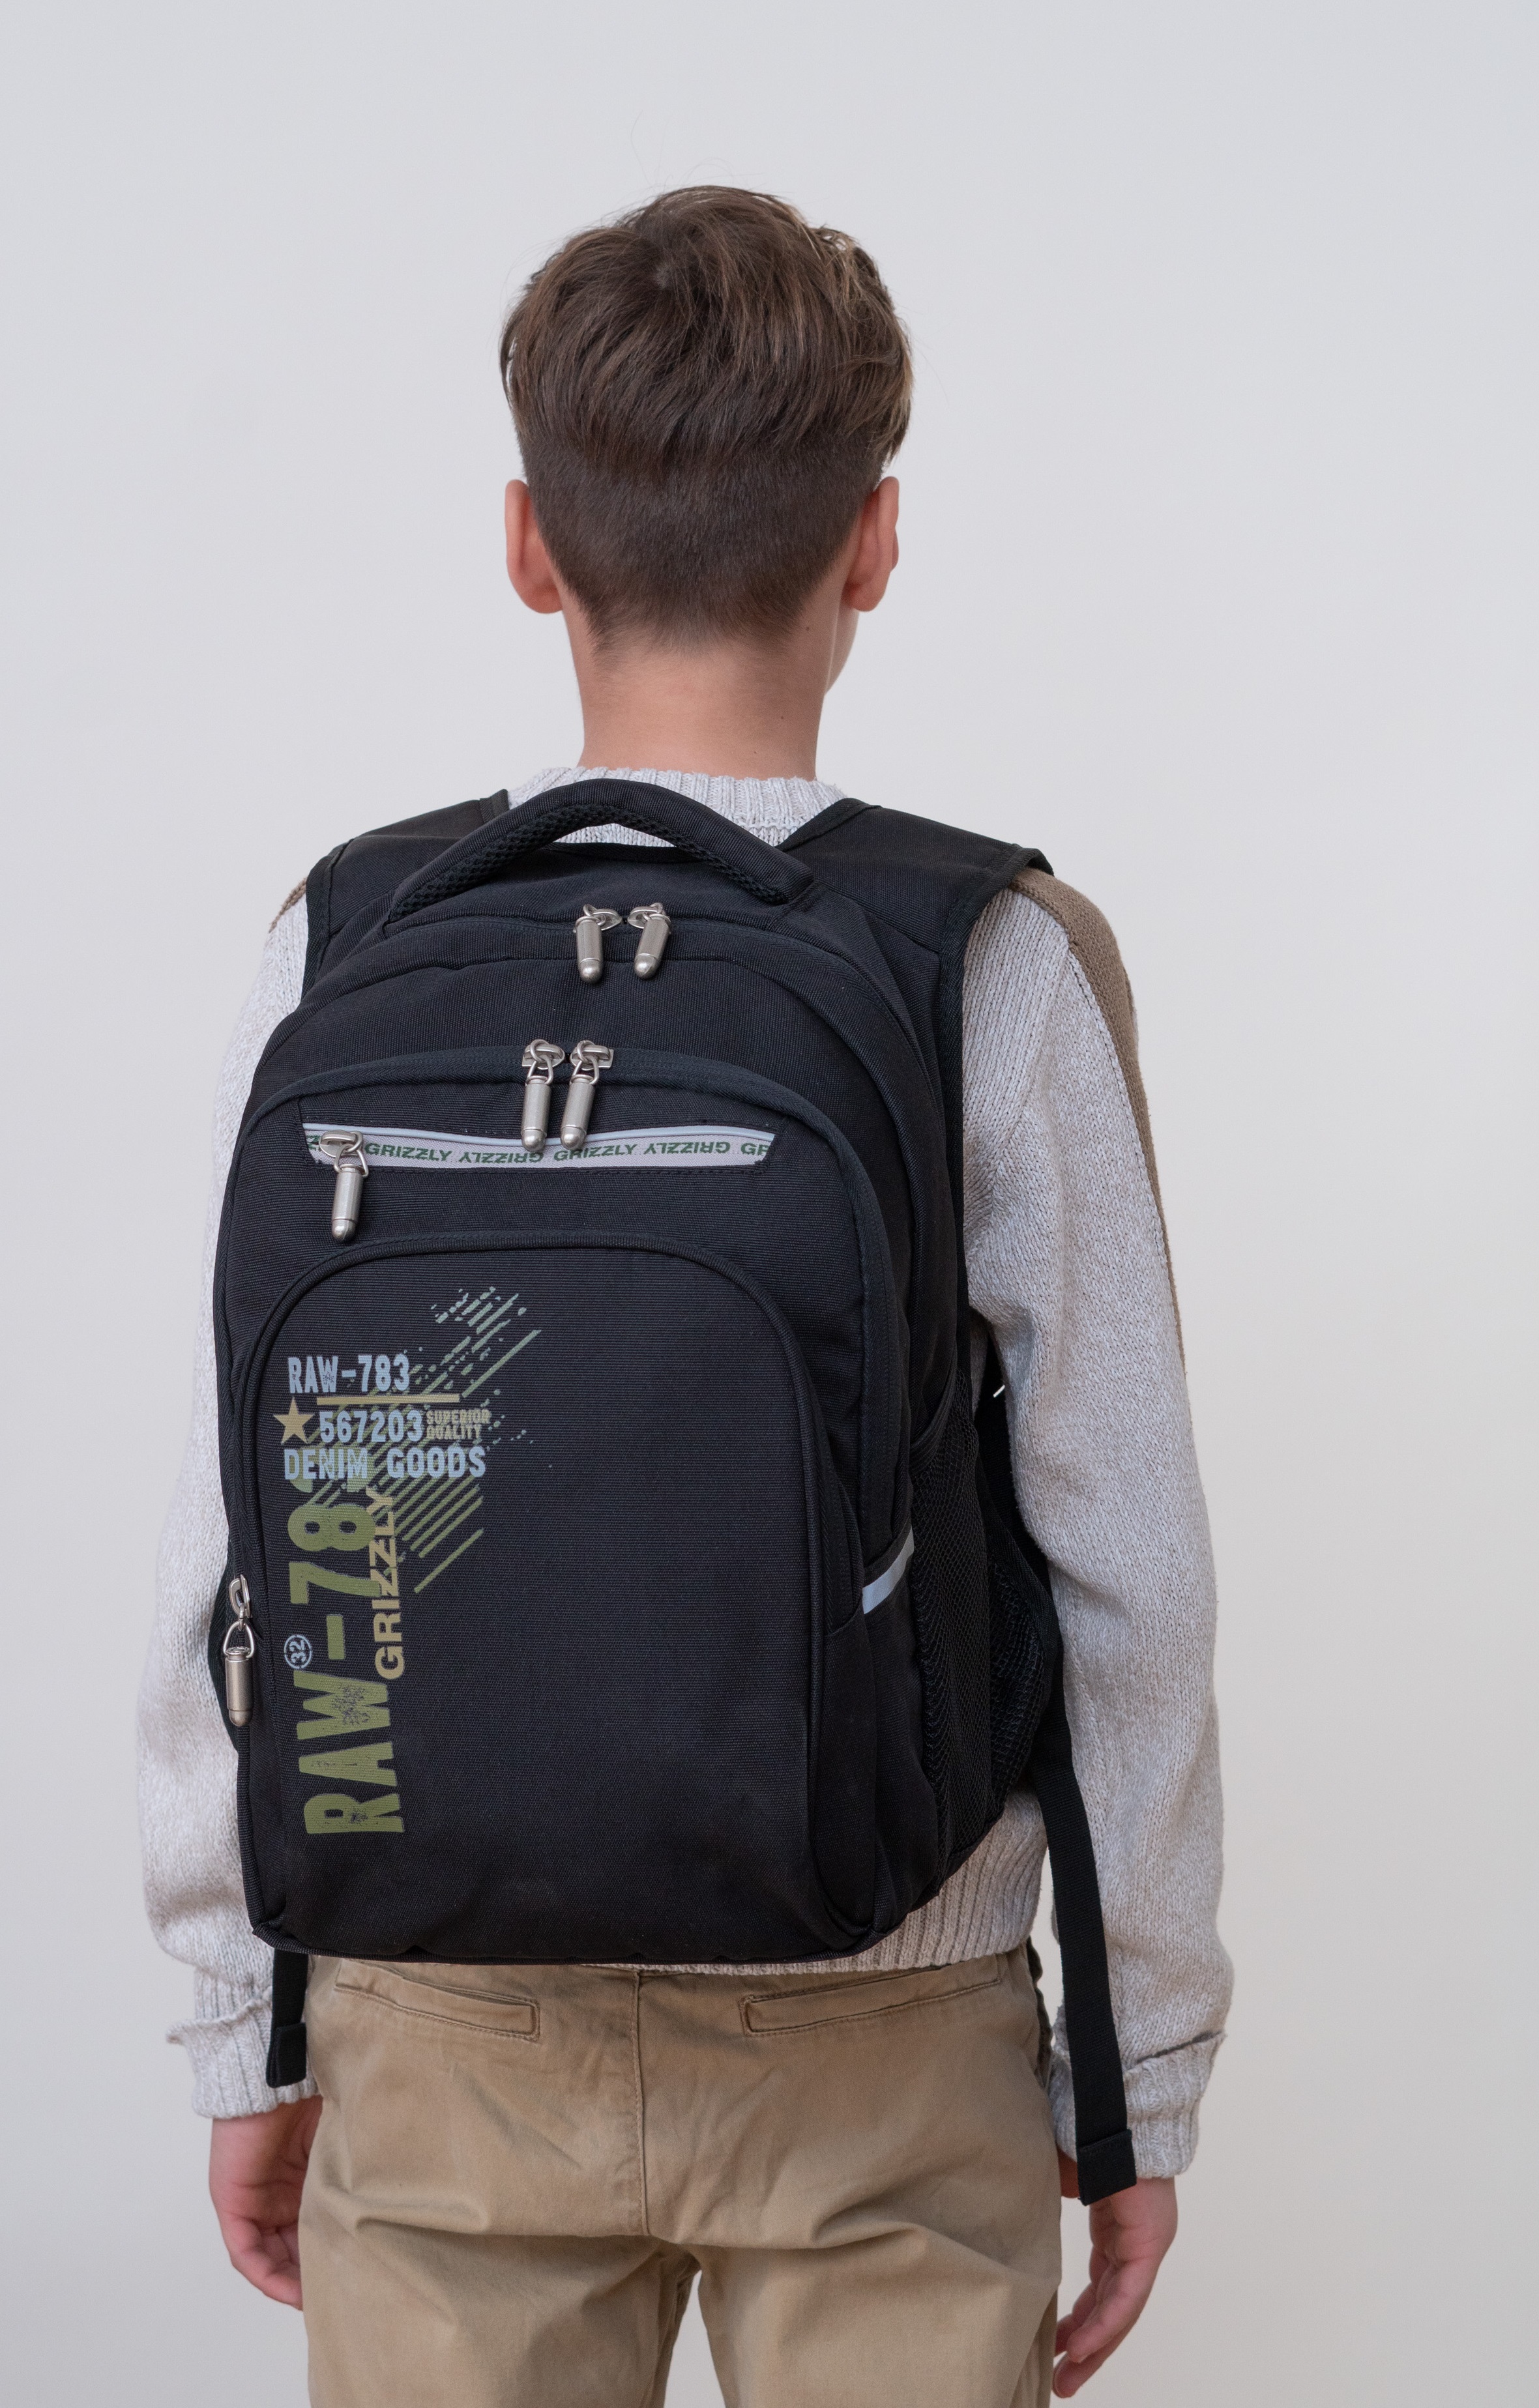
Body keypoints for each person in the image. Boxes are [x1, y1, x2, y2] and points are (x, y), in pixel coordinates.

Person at [139, 186, 1231, 2407]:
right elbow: (1126, 1569)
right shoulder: (985, 957)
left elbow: (236, 1528)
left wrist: (240, 2024)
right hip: (885, 2012)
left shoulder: (348, 940)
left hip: (436, 2008)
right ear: (874, 541)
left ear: (527, 543)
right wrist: (1138, 2087)